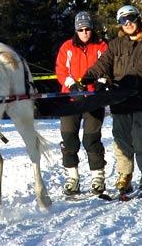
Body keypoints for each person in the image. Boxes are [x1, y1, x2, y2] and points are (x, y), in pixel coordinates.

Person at [80, 5, 142, 194]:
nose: (128, 23)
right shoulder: (116, 44)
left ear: (138, 19)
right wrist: (89, 76)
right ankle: (125, 174)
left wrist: (121, 85)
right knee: (121, 140)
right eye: (124, 20)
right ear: (120, 24)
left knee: (141, 139)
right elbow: (103, 63)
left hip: (141, 101)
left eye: (131, 18)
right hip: (120, 103)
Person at [55, 11, 108, 196]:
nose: (85, 32)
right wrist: (71, 85)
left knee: (91, 140)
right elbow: (61, 70)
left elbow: (108, 67)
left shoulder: (101, 46)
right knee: (69, 140)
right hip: (71, 101)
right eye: (81, 29)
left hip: (94, 100)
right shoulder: (67, 47)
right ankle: (72, 178)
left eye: (87, 29)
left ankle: (98, 177)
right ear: (76, 30)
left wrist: (101, 84)